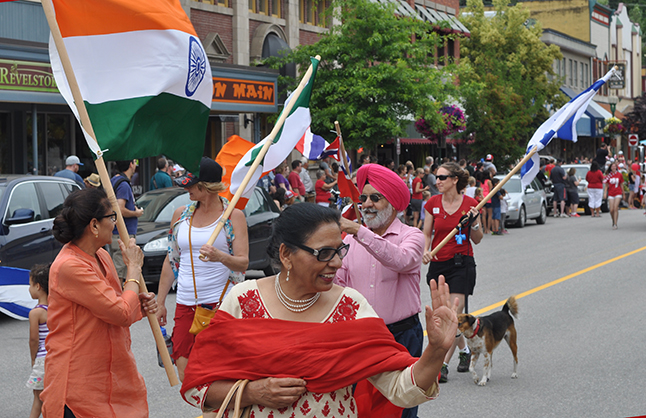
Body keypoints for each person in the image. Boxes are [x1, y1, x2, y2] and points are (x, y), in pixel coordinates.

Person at [181, 203, 459, 417]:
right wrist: (254, 392)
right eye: (324, 253)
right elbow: (199, 387)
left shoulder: (352, 306)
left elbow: (401, 392)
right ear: (286, 255)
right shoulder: (243, 299)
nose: (337, 263)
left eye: (340, 251)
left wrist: (435, 350)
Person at [42, 187, 157, 417]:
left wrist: (139, 305)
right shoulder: (69, 265)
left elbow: (113, 307)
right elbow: (120, 312)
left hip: (111, 377)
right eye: (111, 217)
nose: (115, 223)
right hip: (79, 384)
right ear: (94, 225)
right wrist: (133, 270)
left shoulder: (102, 255)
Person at [335, 163, 426, 418]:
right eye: (363, 198)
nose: (366, 204)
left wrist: (359, 232)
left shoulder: (412, 235)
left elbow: (401, 260)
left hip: (402, 336)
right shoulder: (348, 240)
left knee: (403, 406)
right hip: (361, 338)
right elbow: (337, 286)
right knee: (359, 406)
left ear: (394, 203)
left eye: (376, 198)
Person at [156, 157, 249, 391]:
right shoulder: (181, 215)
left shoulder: (232, 216)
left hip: (221, 302)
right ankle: (206, 409)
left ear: (206, 187)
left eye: (191, 185)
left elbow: (242, 263)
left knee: (220, 370)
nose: (187, 188)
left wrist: (220, 257)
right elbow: (172, 259)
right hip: (186, 301)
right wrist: (160, 302)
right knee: (184, 369)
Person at [422, 162, 483, 383]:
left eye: (442, 177)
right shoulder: (432, 203)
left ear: (455, 180)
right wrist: (426, 250)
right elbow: (426, 233)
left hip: (462, 264)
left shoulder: (470, 204)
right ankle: (465, 350)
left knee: (453, 316)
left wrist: (474, 223)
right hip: (438, 265)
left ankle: (441, 365)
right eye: (436, 176)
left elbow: (477, 238)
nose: (437, 181)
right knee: (441, 316)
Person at [110, 160, 144, 282]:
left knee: (121, 268)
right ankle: (120, 298)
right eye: (135, 162)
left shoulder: (115, 180)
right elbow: (120, 209)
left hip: (116, 231)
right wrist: (137, 213)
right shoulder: (123, 184)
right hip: (122, 233)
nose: (135, 165)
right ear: (131, 164)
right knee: (121, 271)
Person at [26, 264, 49, 418]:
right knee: (53, 399)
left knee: (38, 400)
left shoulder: (36, 313)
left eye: (30, 285)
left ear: (38, 287)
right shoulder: (58, 308)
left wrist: (33, 358)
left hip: (42, 360)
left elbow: (34, 339)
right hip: (57, 358)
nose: (29, 289)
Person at [603, 161, 623, 229]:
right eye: (612, 166)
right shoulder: (609, 176)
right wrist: (605, 193)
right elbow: (606, 185)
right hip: (611, 193)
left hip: (618, 192)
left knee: (615, 208)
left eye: (615, 166)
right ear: (610, 167)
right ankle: (613, 219)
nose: (613, 167)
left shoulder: (619, 175)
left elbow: (621, 184)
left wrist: (623, 193)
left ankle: (615, 223)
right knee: (611, 210)